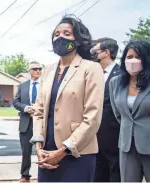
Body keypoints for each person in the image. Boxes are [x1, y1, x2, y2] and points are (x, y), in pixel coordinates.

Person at [30, 15, 105, 182]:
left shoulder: (91, 68)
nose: (60, 37)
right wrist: (38, 146)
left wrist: (63, 151)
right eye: (56, 34)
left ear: (77, 39)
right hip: (46, 152)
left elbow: (92, 117)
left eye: (67, 33)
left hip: (77, 153)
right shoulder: (48, 70)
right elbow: (39, 111)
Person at [109, 40, 150, 182]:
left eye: (138, 57)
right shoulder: (116, 82)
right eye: (129, 56)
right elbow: (119, 114)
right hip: (127, 145)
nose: (133, 61)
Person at [91, 38, 121, 182]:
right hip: (94, 133)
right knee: (98, 170)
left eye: (95, 51)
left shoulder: (123, 74)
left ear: (106, 53)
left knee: (115, 170)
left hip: (114, 132)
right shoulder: (94, 73)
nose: (93, 54)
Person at [13, 61, 42, 182]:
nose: (38, 71)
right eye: (35, 69)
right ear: (29, 71)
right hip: (26, 123)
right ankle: (25, 176)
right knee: (26, 152)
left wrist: (38, 108)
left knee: (43, 151)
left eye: (40, 69)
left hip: (42, 123)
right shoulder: (23, 85)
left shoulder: (46, 85)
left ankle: (44, 176)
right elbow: (16, 102)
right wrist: (26, 108)